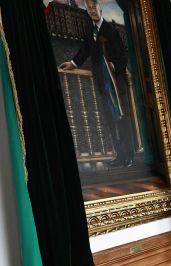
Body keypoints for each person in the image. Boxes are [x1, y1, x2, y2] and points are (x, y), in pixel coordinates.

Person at [59, 0, 135, 167]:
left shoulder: (112, 31)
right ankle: (119, 156)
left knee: (122, 118)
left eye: (94, 8)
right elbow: (85, 50)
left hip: (115, 85)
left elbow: (123, 57)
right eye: (89, 9)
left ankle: (129, 156)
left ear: (100, 9)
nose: (92, 11)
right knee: (110, 119)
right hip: (103, 85)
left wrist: (113, 66)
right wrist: (73, 64)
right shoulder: (91, 31)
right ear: (88, 12)